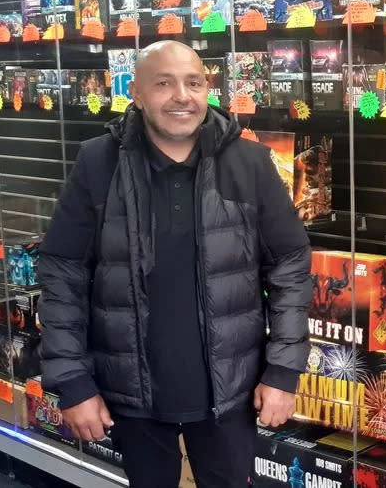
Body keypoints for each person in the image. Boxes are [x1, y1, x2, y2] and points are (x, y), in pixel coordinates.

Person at [38, 40, 312, 487]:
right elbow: (62, 275)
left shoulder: (251, 163)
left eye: (194, 83)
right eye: (163, 83)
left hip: (231, 393)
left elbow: (289, 267)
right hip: (131, 393)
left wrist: (283, 372)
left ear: (208, 91)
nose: (181, 96)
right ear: (137, 93)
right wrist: (71, 382)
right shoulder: (98, 163)